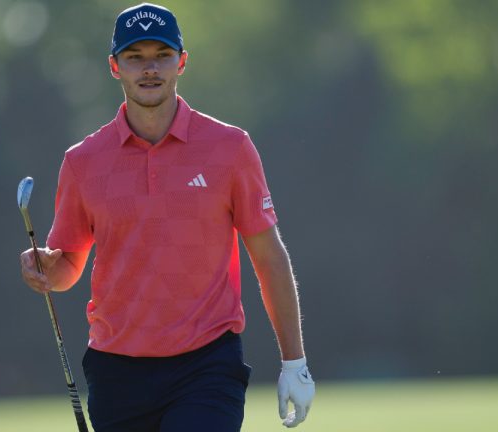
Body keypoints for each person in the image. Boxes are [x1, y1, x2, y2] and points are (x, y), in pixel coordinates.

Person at [20, 3, 315, 431]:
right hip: (116, 371)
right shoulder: (83, 162)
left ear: (181, 61)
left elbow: (269, 257)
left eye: (161, 55)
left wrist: (295, 362)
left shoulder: (229, 149)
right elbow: (67, 267)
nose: (149, 68)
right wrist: (44, 266)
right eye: (134, 57)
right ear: (114, 66)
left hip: (207, 365)